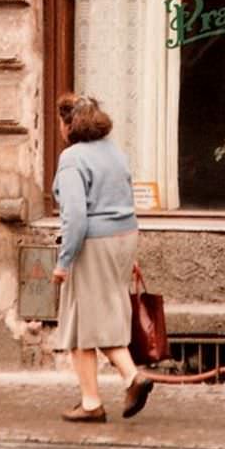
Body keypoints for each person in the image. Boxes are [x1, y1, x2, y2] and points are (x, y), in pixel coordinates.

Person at [51, 92, 153, 422]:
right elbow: (125, 200)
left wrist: (64, 261)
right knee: (90, 320)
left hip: (92, 243)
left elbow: (76, 216)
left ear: (69, 124)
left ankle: (130, 377)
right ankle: (91, 401)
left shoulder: (72, 158)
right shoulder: (116, 153)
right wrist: (128, 255)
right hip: (124, 238)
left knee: (85, 322)